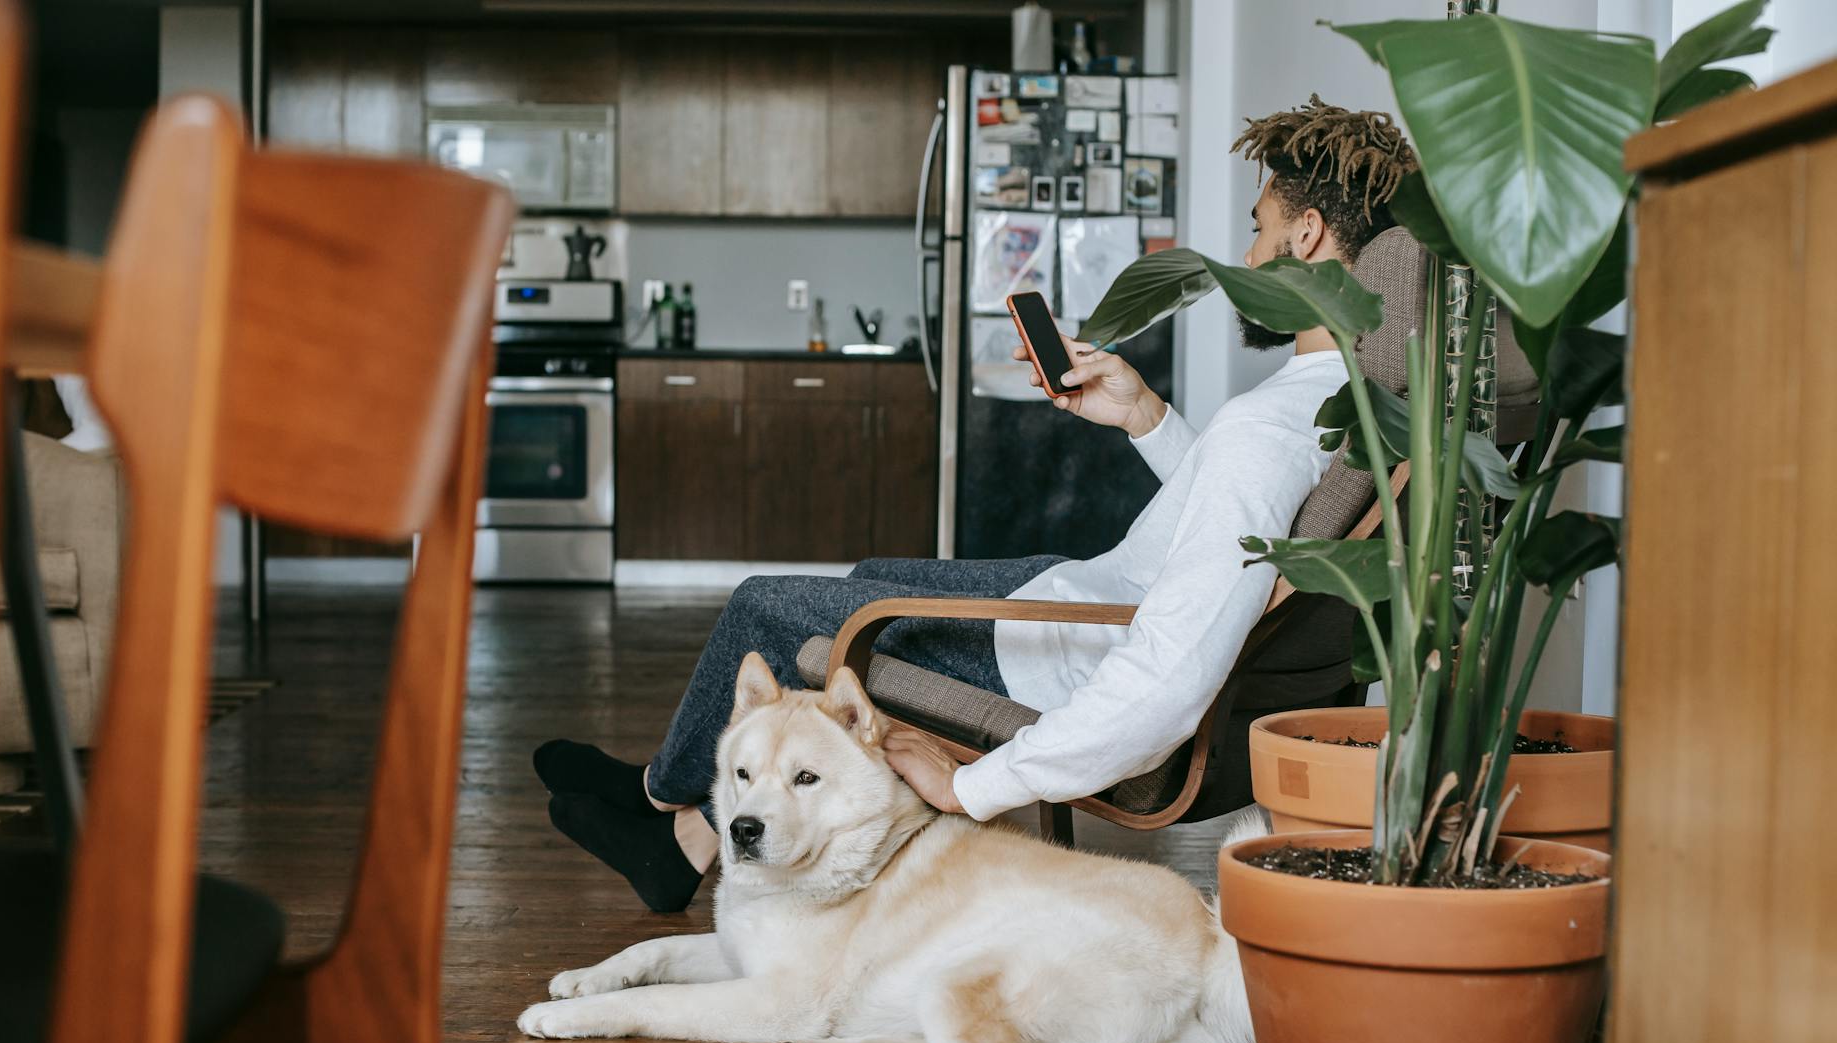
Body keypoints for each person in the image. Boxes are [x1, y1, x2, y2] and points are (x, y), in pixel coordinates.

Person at [535, 96, 1417, 912]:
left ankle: (663, 809)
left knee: (765, 606)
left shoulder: (1269, 429)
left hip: (1063, 652)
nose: (1247, 255)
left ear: (1306, 235)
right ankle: (681, 812)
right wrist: (1145, 417)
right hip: (1073, 598)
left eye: (1260, 230)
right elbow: (1241, 537)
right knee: (871, 578)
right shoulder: (1340, 402)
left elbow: (1170, 674)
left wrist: (973, 785)